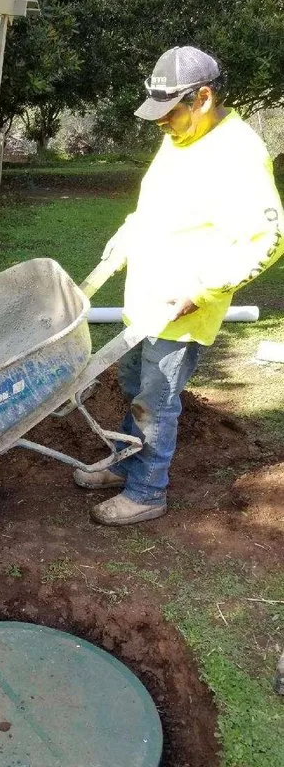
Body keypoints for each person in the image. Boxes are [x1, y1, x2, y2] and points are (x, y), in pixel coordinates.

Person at [74, 46, 283, 526]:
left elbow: (270, 239)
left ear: (203, 97)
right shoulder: (182, 136)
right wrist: (124, 239)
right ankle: (128, 465)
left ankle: (148, 491)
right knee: (131, 384)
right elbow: (158, 206)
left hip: (181, 308)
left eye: (169, 112)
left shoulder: (239, 154)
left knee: (156, 399)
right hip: (145, 298)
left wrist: (203, 289)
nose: (160, 122)